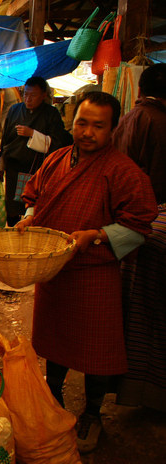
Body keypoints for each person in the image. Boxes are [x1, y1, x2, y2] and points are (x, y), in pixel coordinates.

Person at [15, 91, 158, 453]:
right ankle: (53, 399)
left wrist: (96, 235)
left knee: (96, 350)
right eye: (82, 122)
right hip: (53, 270)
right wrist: (28, 218)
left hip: (94, 273)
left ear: (113, 129)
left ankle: (92, 413)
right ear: (71, 121)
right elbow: (33, 195)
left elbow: (141, 224)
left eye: (98, 125)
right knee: (55, 341)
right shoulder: (57, 158)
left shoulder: (124, 171)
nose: (88, 132)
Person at [111, 63, 166, 412]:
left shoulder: (127, 119)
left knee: (131, 312)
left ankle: (131, 387)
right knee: (151, 317)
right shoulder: (161, 123)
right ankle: (151, 393)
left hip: (127, 228)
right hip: (152, 225)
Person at [0, 76, 71, 225]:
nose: (28, 99)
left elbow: (60, 142)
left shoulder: (51, 114)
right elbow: (5, 139)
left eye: (33, 95)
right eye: (26, 94)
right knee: (12, 210)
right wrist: (0, 166)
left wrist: (33, 134)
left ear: (43, 95)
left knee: (33, 209)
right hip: (13, 170)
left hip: (37, 171)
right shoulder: (15, 110)